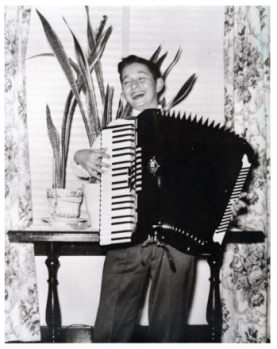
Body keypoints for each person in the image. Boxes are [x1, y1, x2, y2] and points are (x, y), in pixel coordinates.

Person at [74, 55, 197, 342]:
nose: (134, 85)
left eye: (141, 78)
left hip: (175, 244)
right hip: (125, 238)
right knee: (109, 328)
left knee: (168, 332)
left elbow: (213, 181)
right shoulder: (115, 131)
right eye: (127, 81)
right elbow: (86, 168)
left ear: (159, 83)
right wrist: (81, 156)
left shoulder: (186, 131)